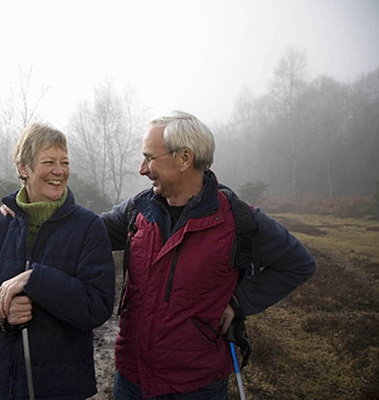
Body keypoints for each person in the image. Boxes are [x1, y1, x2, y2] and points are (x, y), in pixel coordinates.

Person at [99, 111, 316, 399]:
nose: (142, 169)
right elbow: (84, 232)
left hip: (196, 386)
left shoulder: (238, 219)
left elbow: (298, 264)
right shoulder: (138, 209)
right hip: (131, 381)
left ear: (185, 158)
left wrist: (239, 302)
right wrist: (24, 210)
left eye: (150, 158)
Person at [0, 123, 115, 400]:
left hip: (61, 387)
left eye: (64, 162)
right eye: (49, 162)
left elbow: (97, 306)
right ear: (24, 168)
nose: (59, 171)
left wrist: (37, 280)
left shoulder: (88, 227)